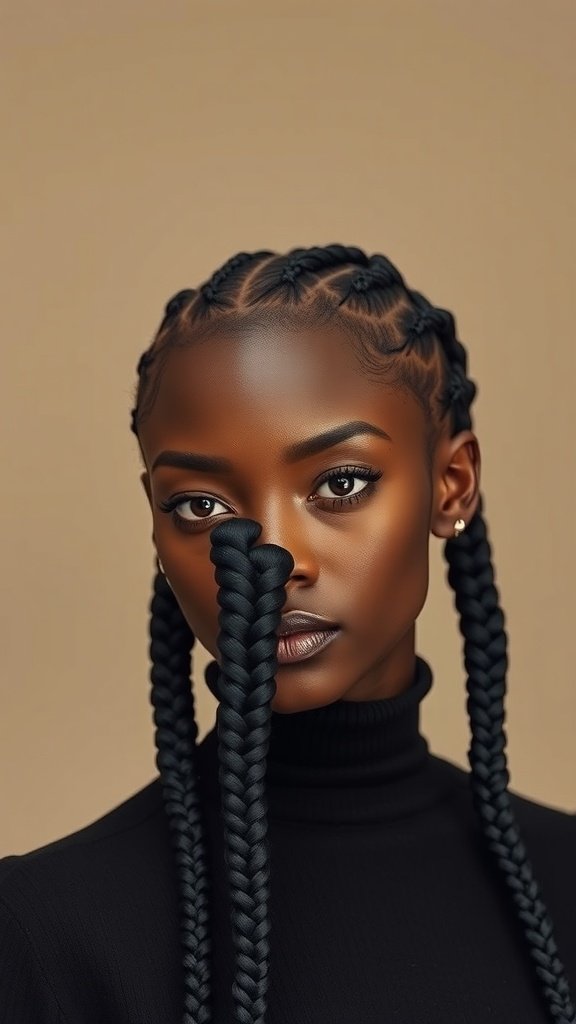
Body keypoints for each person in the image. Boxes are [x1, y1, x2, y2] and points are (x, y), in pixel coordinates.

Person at [0, 244, 574, 1024]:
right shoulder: (42, 932)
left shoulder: (563, 882)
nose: (278, 561)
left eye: (339, 484)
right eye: (199, 506)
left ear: (452, 485)